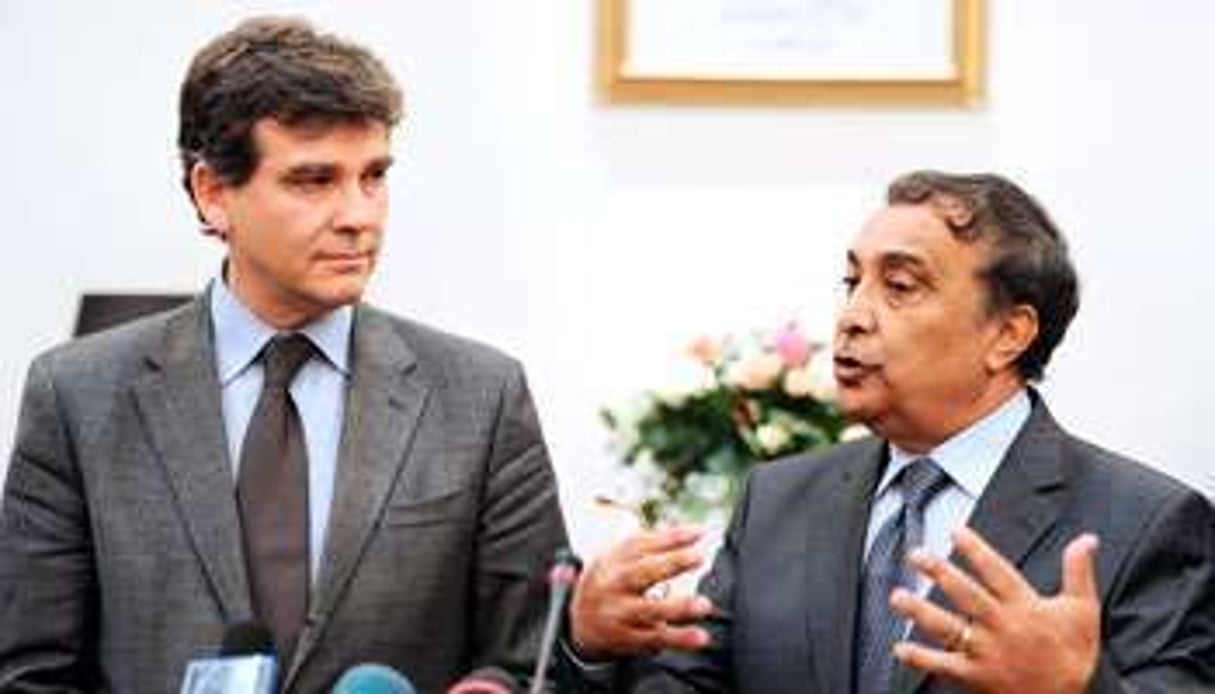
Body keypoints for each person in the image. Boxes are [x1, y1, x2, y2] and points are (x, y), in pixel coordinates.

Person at [0, 16, 567, 692]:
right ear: (213, 193)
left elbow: (535, 655)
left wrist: (499, 687)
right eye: (313, 180)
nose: (359, 214)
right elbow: (30, 673)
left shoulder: (481, 396)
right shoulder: (78, 395)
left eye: (373, 176)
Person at [563, 171, 1215, 693]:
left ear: (1007, 334)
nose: (851, 316)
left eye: (898, 285)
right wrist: (593, 647)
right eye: (851, 282)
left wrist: (1075, 690)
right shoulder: (778, 500)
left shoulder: (1144, 522)